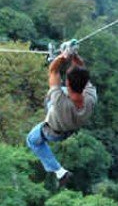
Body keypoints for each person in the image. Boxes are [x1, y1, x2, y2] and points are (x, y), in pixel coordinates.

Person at [26, 46, 97, 188]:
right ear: (85, 84)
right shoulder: (91, 96)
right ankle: (58, 171)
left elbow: (53, 70)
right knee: (56, 91)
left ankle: (59, 171)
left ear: (68, 82)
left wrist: (62, 57)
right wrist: (74, 55)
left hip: (52, 131)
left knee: (32, 141)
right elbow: (80, 70)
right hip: (68, 126)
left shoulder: (60, 101)